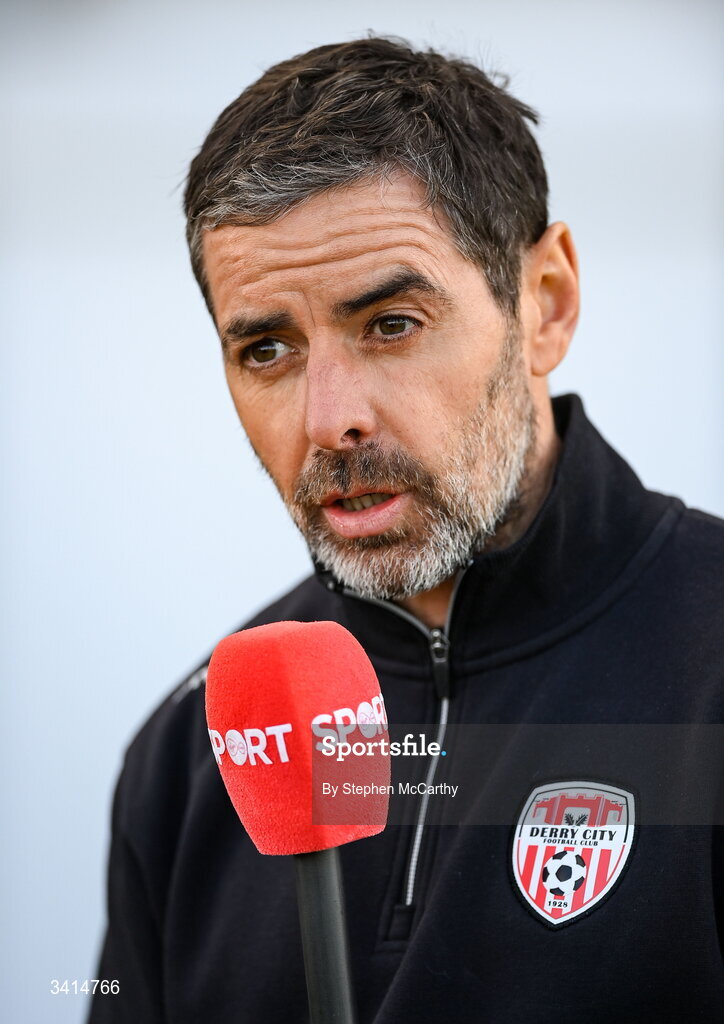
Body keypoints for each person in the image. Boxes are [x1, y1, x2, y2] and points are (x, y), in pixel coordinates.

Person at [89, 37, 724, 1023]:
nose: (328, 420)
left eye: (390, 324)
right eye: (268, 349)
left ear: (546, 304)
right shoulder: (191, 755)